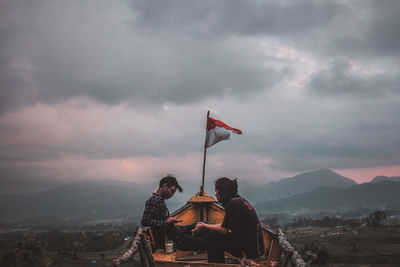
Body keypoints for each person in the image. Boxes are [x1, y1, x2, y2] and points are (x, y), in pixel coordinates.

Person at [192, 177, 264, 263]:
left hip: (250, 249)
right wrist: (205, 225)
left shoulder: (233, 203)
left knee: (213, 237)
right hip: (253, 246)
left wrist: (205, 226)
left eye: (216, 191)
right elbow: (225, 225)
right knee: (210, 229)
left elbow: (224, 230)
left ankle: (216, 264)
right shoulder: (239, 200)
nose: (215, 194)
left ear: (222, 192)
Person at [141, 174, 205, 250]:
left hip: (177, 231)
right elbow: (145, 221)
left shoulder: (160, 200)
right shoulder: (153, 200)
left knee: (201, 224)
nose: (172, 194)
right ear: (164, 186)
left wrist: (169, 220)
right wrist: (166, 221)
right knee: (205, 241)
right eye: (172, 191)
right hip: (176, 238)